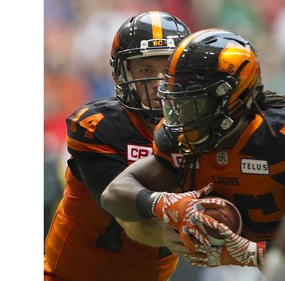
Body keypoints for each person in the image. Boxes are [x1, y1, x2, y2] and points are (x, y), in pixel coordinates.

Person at [101, 28, 285, 271]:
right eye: (176, 102)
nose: (180, 116)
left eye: (194, 102)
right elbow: (114, 195)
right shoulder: (177, 138)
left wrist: (253, 253)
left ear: (233, 98)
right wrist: (163, 203)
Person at [44, 11, 191, 281]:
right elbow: (123, 212)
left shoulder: (202, 126)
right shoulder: (98, 126)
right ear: (123, 74)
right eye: (146, 69)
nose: (160, 84)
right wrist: (168, 231)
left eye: (169, 69)